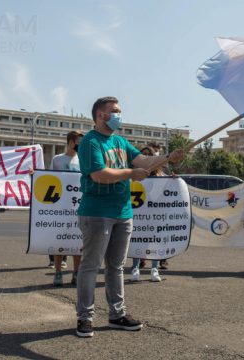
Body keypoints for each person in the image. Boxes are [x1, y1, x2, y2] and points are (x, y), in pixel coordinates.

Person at [75, 96, 184, 338]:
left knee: (115, 267)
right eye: (115, 111)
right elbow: (99, 174)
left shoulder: (121, 141)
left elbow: (144, 161)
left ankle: (117, 315)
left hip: (123, 213)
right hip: (96, 213)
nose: (119, 115)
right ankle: (85, 318)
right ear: (101, 115)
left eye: (119, 111)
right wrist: (131, 174)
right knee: (91, 267)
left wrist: (168, 157)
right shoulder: (90, 142)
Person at [50, 131, 83, 287]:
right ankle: (58, 272)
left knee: (77, 240)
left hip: (79, 205)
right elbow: (49, 178)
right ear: (71, 142)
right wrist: (34, 175)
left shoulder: (84, 160)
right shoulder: (57, 159)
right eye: (79, 142)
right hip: (61, 206)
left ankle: (76, 272)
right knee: (59, 240)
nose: (81, 145)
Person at [130, 146, 163, 282]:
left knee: (154, 241)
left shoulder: (161, 176)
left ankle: (154, 269)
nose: (145, 158)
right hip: (138, 214)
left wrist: (174, 179)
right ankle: (135, 268)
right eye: (142, 155)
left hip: (154, 215)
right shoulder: (133, 175)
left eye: (148, 156)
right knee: (138, 240)